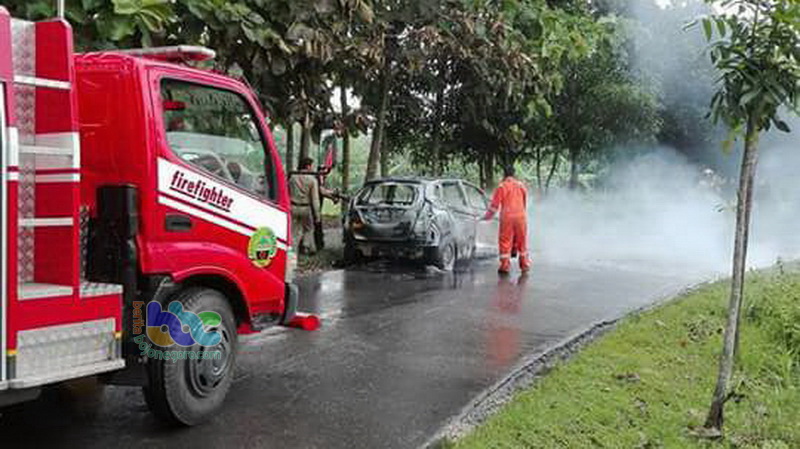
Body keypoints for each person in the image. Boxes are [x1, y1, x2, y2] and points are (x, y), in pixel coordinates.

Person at [484, 164, 530, 274]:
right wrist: (521, 213)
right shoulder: (521, 186)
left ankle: (505, 266)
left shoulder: (501, 187)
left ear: (504, 174)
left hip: (507, 217)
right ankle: (524, 265)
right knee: (522, 240)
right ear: (514, 174)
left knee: (505, 240)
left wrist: (486, 217)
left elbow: (494, 206)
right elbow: (524, 202)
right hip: (521, 216)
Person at [289, 157, 321, 254]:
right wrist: (317, 214)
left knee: (293, 230)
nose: (312, 168)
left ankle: (292, 250)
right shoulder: (312, 180)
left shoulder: (293, 178)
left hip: (293, 206)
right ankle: (305, 245)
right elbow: (315, 199)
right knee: (309, 228)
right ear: (308, 166)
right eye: (311, 166)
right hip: (305, 208)